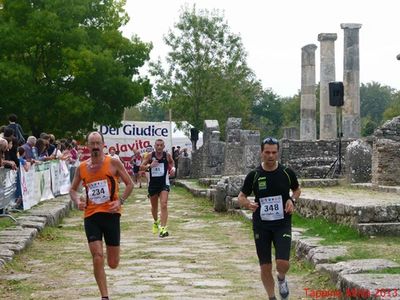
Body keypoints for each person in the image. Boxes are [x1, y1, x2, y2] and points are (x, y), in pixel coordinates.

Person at [69, 131, 134, 300]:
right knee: (97, 255)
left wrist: (120, 201)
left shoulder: (113, 163)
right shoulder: (82, 167)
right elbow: (72, 190)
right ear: (88, 146)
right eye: (93, 143)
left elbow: (129, 184)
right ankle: (104, 296)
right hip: (91, 215)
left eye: (98, 143)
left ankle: (110, 262)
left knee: (113, 263)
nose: (96, 147)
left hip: (111, 215)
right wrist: (77, 200)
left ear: (103, 144)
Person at [238, 137, 301, 300]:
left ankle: (281, 278)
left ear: (278, 153)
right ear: (261, 153)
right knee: (265, 266)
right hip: (261, 225)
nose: (271, 156)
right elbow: (241, 196)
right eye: (267, 152)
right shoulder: (254, 175)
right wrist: (247, 204)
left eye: (274, 152)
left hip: (282, 224)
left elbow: (297, 190)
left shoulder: (287, 172)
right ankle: (272, 297)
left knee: (283, 263)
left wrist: (291, 200)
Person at [140, 139, 175, 238]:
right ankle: (156, 222)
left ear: (164, 146)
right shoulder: (150, 156)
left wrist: (173, 169)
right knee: (154, 207)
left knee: (164, 204)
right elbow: (141, 167)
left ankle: (163, 229)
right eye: (157, 145)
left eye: (161, 145)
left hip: (164, 183)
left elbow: (172, 163)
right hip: (153, 184)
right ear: (155, 146)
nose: (159, 147)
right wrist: (150, 166)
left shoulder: (167, 155)